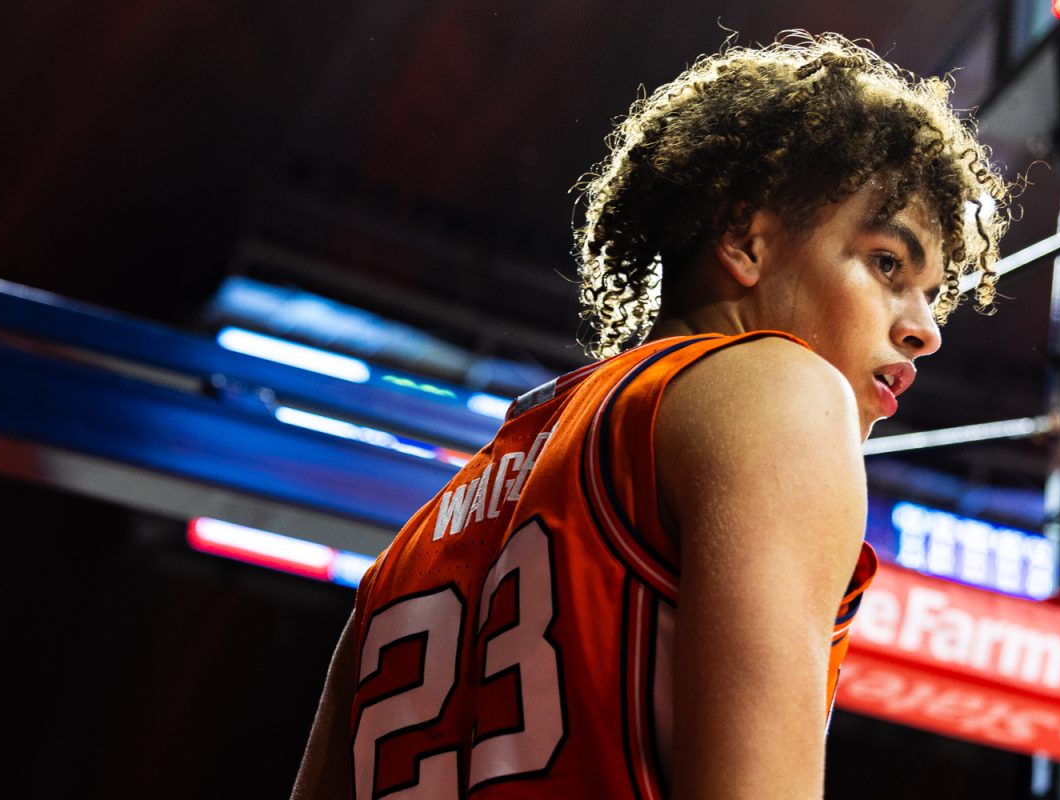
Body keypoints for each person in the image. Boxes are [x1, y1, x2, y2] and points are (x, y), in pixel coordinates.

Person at [292, 31, 1010, 799]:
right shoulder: (783, 392)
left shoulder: (414, 544)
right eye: (887, 264)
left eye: (932, 295)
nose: (923, 330)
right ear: (745, 241)